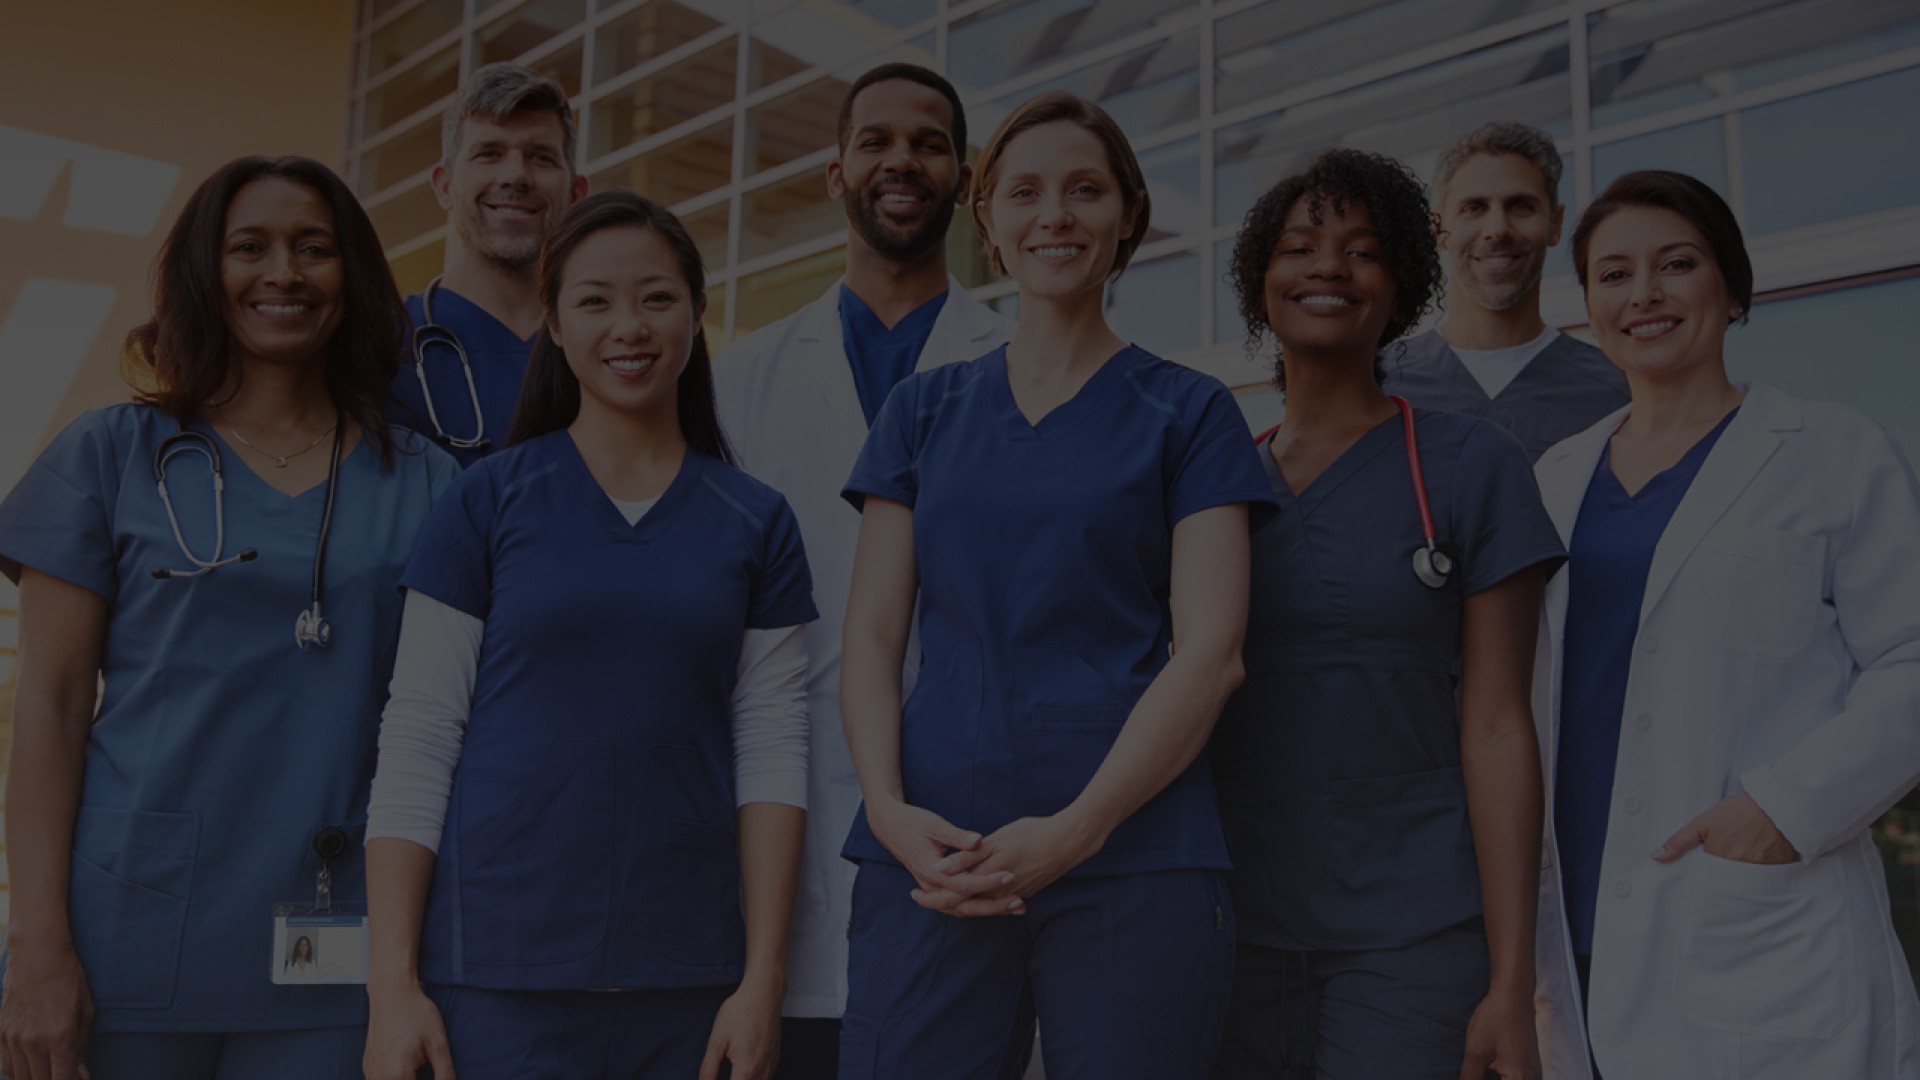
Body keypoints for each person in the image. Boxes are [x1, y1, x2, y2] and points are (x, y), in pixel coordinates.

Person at [836, 90, 1271, 1080]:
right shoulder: (922, 410)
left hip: (1135, 850)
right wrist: (890, 811)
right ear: (986, 223)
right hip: (934, 855)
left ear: (1128, 215)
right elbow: (870, 636)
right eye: (1024, 193)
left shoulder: (1189, 412)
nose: (1055, 216)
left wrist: (1077, 832)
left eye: (1084, 190)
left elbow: (1213, 652)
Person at [0, 155, 459, 1080]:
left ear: (355, 275)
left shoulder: (427, 482)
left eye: (314, 249)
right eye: (248, 247)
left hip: (340, 945)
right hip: (124, 936)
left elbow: (442, 728)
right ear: (204, 275)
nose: (282, 273)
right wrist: (37, 946)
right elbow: (48, 707)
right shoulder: (110, 456)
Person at [361, 191, 815, 1080]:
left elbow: (771, 749)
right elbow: (418, 737)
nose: (629, 327)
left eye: (656, 297)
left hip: (690, 980)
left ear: (696, 311)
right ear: (556, 328)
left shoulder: (755, 520)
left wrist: (762, 981)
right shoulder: (484, 501)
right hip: (496, 975)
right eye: (594, 301)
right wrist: (394, 988)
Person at [1531, 169, 1920, 1079]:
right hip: (1575, 923)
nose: (1645, 295)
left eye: (1677, 264)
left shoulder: (1832, 450)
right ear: (1589, 304)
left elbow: (1911, 657)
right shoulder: (1553, 478)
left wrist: (1784, 810)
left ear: (1732, 288)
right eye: (1614, 274)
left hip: (1754, 914)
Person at [1209, 148, 1560, 1080]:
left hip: (1413, 937)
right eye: (1300, 246)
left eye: (1364, 251)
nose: (1328, 266)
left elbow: (1497, 726)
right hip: (1233, 932)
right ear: (1260, 280)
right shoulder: (1213, 485)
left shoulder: (1471, 466)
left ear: (1399, 287)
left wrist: (1514, 977)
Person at [712, 61, 1012, 1077]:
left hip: (966, 807)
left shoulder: (1017, 363)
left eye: (928, 143)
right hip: (779, 797)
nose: (902, 160)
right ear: (835, 171)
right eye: (876, 140)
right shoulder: (738, 377)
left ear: (964, 179)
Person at [1382, 122, 1628, 462]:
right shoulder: (1377, 384)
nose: (1497, 230)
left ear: (1555, 224)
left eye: (1520, 206)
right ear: (1438, 228)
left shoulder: (1619, 391)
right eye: (1474, 208)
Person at [387, 61, 588, 466]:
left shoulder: (603, 345)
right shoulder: (380, 345)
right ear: (445, 186)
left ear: (576, 194)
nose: (516, 175)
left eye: (541, 157)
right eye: (489, 154)